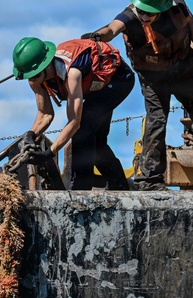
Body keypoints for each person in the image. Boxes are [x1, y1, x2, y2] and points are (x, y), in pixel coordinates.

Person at [81, 0, 193, 191]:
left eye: (148, 13)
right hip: (153, 79)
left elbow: (192, 26)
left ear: (161, 8)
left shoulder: (177, 6)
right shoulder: (130, 16)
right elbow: (112, 29)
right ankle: (150, 180)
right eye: (141, 10)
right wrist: (97, 36)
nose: (143, 16)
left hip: (183, 71)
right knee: (156, 122)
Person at [12, 35, 133, 190]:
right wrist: (31, 134)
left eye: (35, 75)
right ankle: (119, 186)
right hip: (91, 87)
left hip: (119, 80)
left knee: (84, 128)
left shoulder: (72, 73)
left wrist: (50, 152)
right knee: (96, 141)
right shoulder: (35, 78)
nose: (33, 81)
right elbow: (45, 114)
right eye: (29, 77)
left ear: (47, 66)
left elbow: (74, 122)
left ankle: (80, 189)